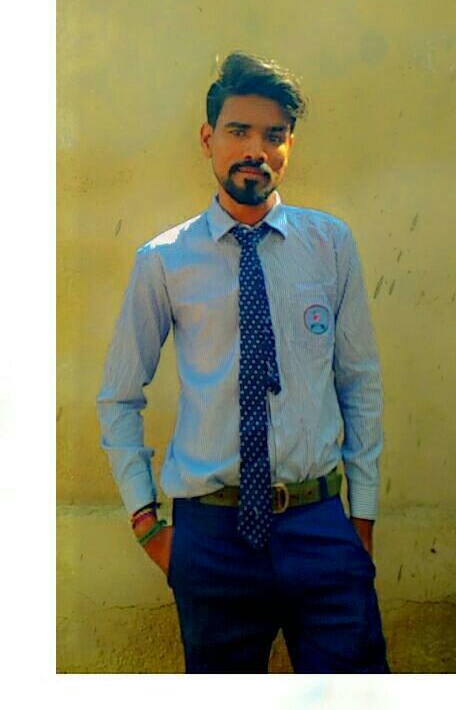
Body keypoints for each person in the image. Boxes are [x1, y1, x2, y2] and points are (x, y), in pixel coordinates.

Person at [97, 51, 389, 673]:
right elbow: (119, 395)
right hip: (211, 538)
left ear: (289, 146)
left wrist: (360, 519)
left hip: (320, 526)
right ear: (208, 139)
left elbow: (358, 382)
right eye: (239, 131)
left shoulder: (330, 245)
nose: (256, 149)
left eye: (274, 135)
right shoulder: (164, 261)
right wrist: (149, 525)